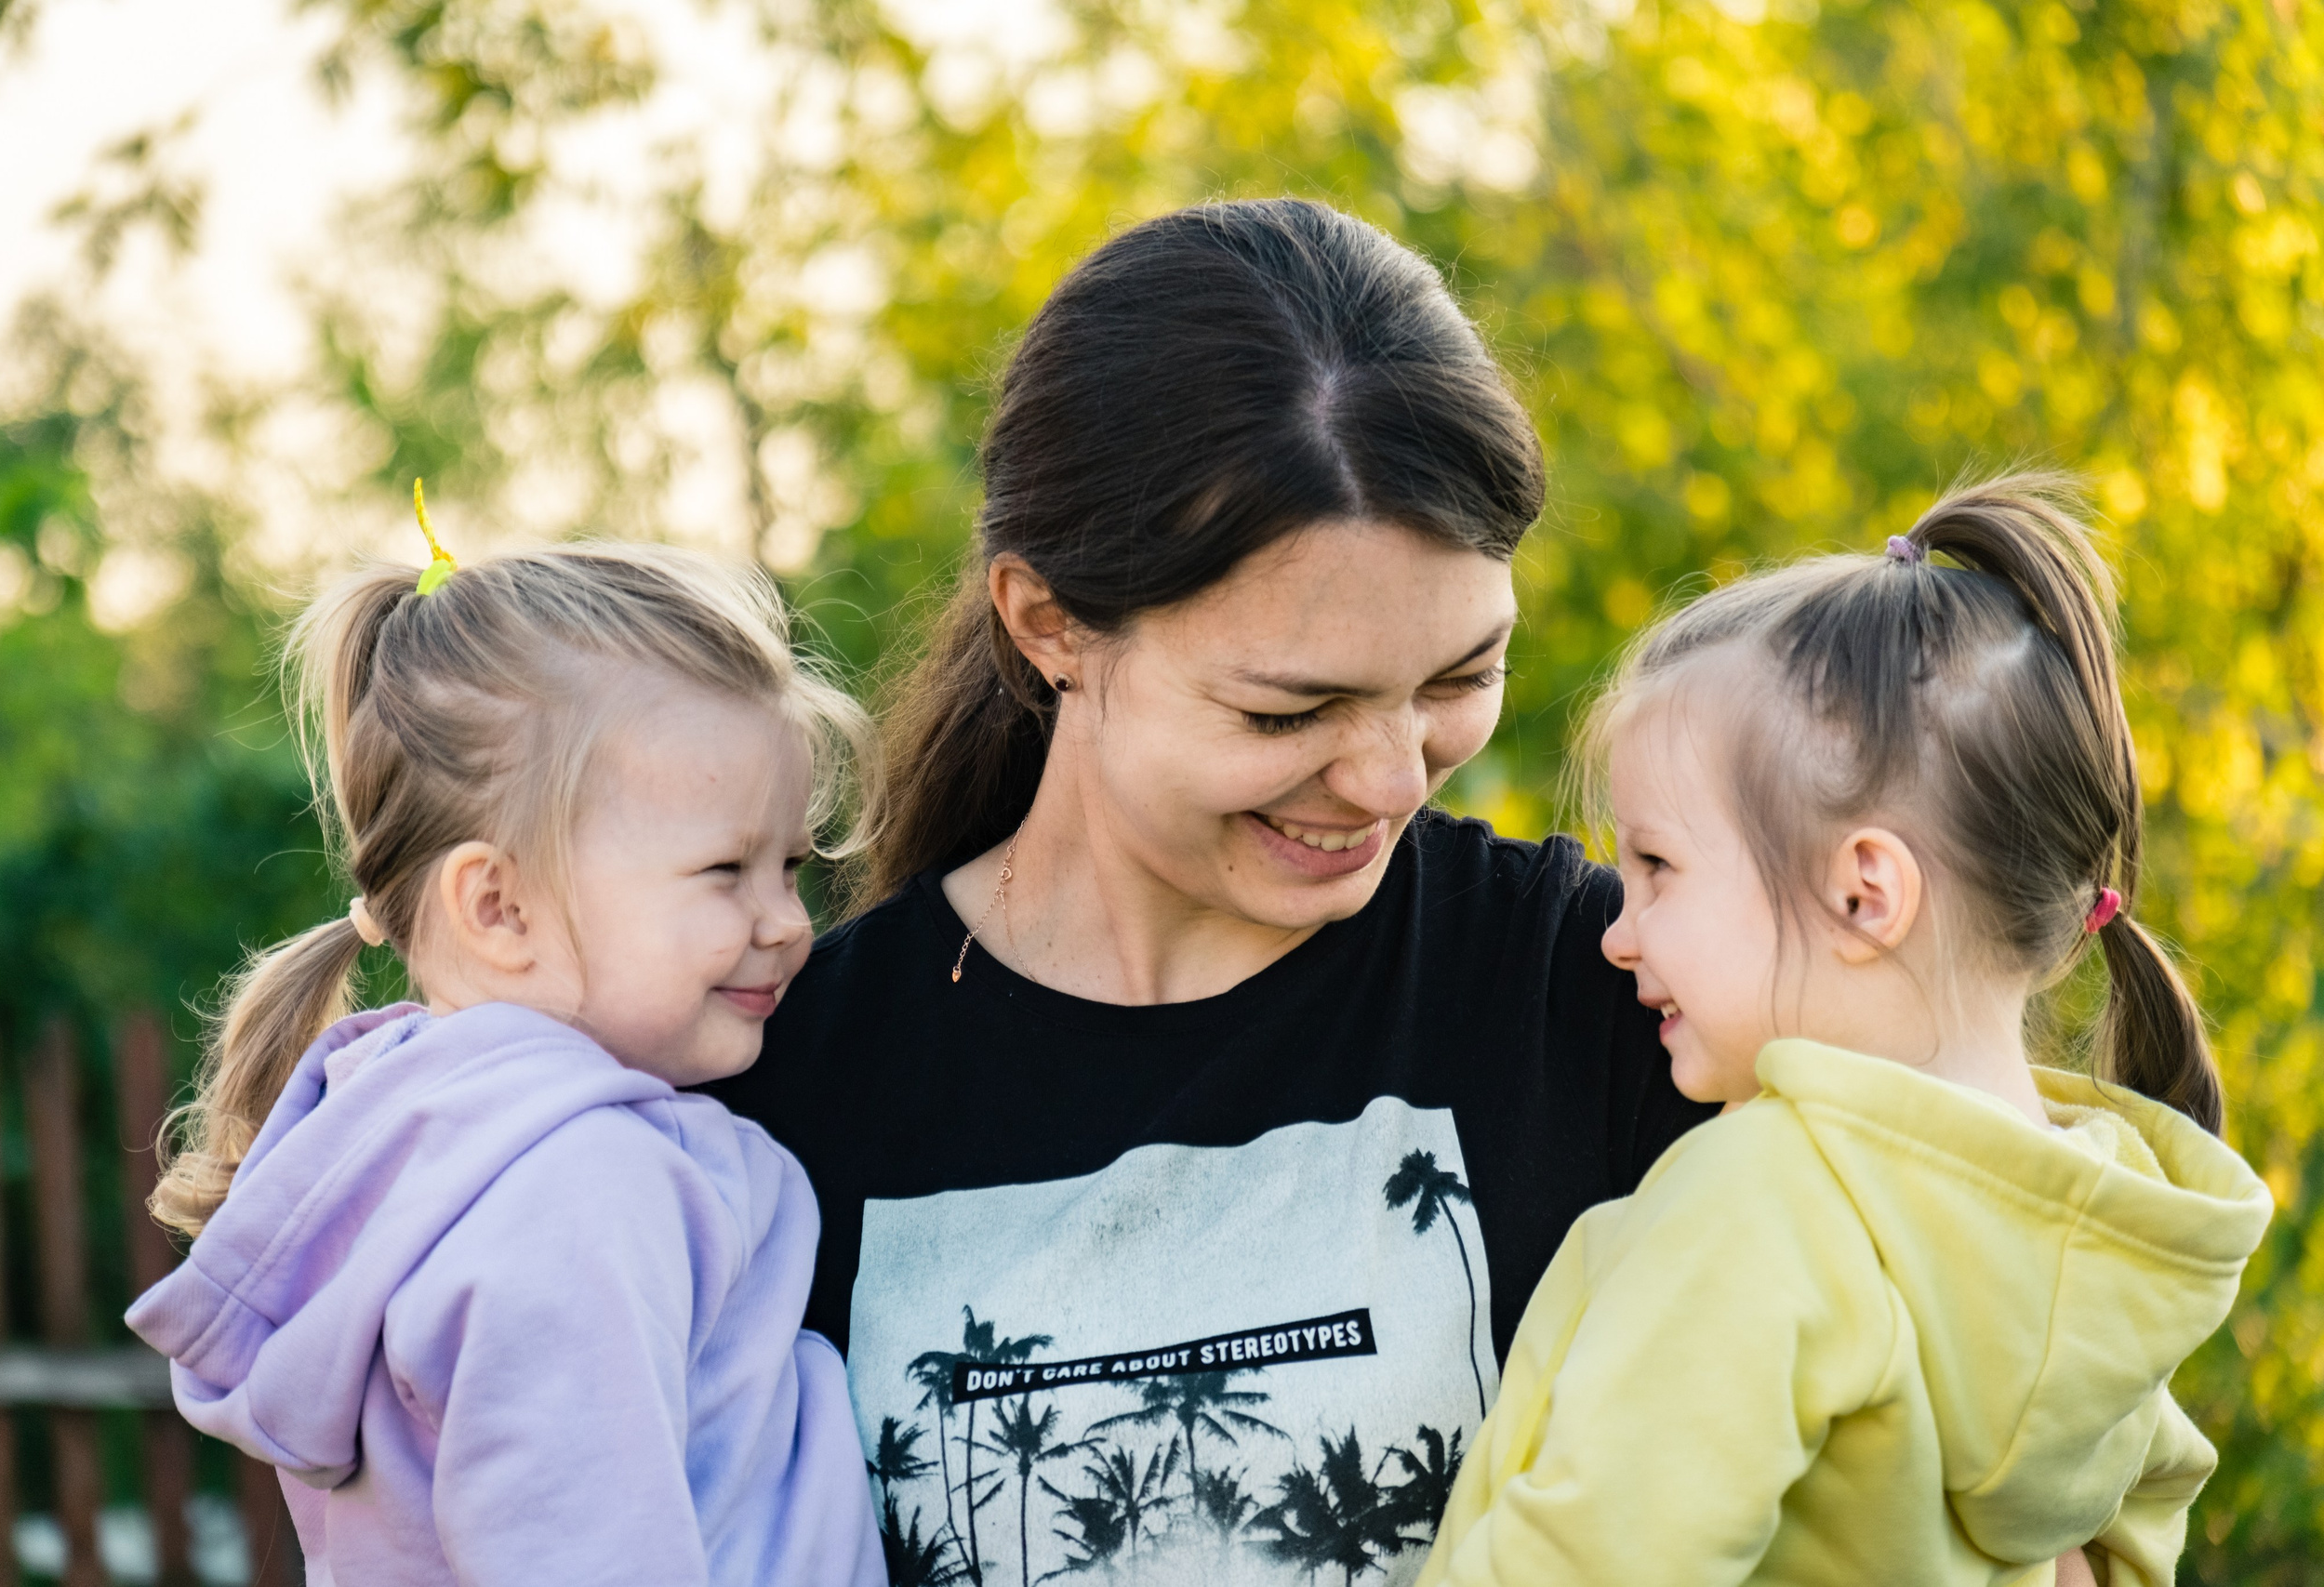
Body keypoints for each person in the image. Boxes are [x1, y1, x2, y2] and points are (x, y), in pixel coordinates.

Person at [710, 198, 1712, 1587]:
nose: (1384, 780)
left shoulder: (1605, 986)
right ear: (1047, 620)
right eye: (1288, 710)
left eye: (1456, 680)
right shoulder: (784, 1085)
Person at [1419, 478, 2273, 1586]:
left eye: (1657, 870)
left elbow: (1587, 1558)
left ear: (1864, 892)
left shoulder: (1767, 1203)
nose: (1616, 936)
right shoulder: (2096, 1222)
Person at [126, 519, 883, 1587]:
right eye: (726, 871)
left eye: (792, 866)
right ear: (498, 905)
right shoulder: (575, 1186)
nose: (787, 922)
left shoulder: (427, 1142)